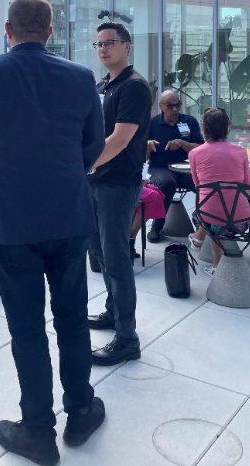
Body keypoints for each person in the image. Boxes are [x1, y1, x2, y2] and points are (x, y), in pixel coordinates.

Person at [0, 0, 106, 466]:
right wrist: (64, 177)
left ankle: (37, 429)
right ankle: (80, 411)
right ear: (51, 32)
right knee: (73, 316)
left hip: (9, 218)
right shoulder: (81, 77)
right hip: (69, 214)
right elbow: (92, 144)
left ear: (8, 30)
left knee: (27, 327)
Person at [87, 22, 152, 366]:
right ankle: (113, 312)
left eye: (109, 42)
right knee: (97, 251)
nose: (102, 48)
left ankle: (127, 338)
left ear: (127, 46)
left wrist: (83, 164)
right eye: (98, 43)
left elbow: (120, 139)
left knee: (116, 259)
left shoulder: (135, 86)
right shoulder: (103, 85)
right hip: (96, 180)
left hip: (118, 182)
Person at [188, 108, 250, 276]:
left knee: (207, 213)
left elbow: (198, 186)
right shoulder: (240, 151)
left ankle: (216, 265)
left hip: (212, 220)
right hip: (242, 221)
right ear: (227, 128)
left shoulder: (194, 153)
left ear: (203, 128)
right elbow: (247, 186)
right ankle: (198, 240)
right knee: (218, 212)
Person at [146, 90, 204, 243]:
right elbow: (141, 152)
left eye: (177, 105)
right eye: (170, 106)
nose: (175, 109)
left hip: (186, 168)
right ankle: (157, 227)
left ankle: (202, 225)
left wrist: (183, 143)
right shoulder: (152, 124)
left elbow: (201, 149)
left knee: (205, 184)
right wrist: (147, 146)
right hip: (161, 167)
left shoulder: (189, 122)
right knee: (167, 183)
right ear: (161, 106)